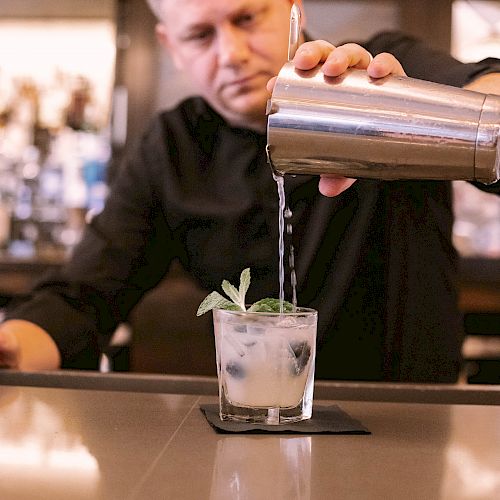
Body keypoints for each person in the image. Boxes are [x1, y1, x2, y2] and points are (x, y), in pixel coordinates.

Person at [0, 0, 499, 381]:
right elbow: (83, 298)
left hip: (414, 423)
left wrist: (401, 117)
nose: (232, 55)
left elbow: (489, 99)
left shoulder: (388, 72)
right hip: (259, 426)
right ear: (171, 46)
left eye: (247, 19)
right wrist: (12, 347)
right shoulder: (175, 146)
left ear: (292, 9)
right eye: (199, 35)